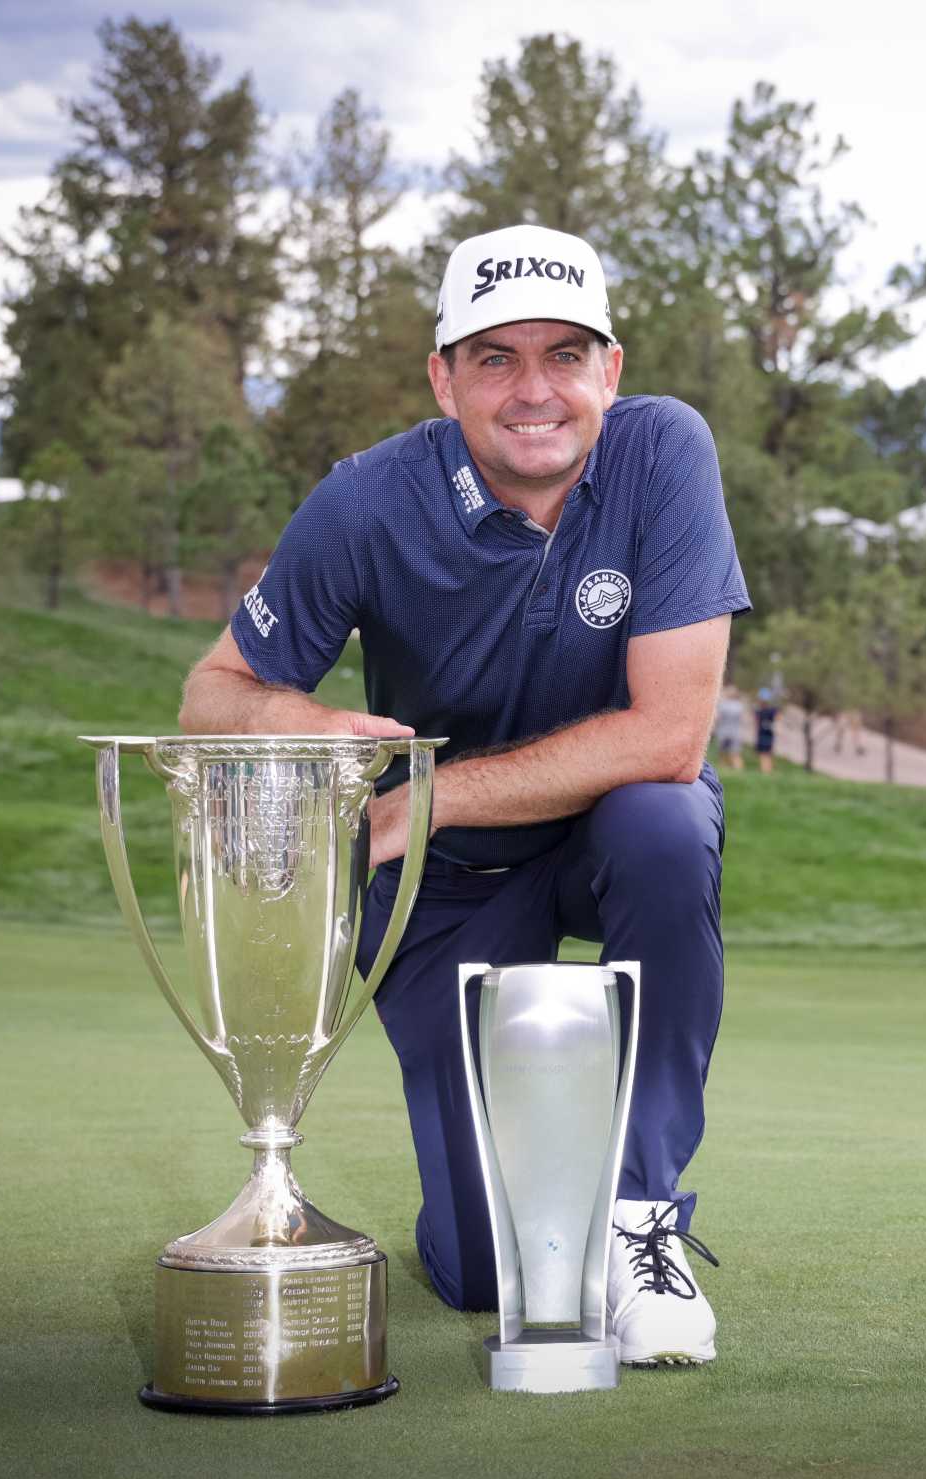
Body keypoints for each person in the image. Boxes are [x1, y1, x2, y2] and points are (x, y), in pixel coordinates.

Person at [179, 223, 748, 1367]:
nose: (534, 390)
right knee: (489, 1272)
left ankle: (641, 1219)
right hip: (442, 885)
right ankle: (538, 1215)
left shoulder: (663, 451)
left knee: (664, 820)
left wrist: (411, 804)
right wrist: (319, 726)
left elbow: (671, 734)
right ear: (444, 377)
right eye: (494, 358)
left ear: (611, 371)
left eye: (564, 355)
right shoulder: (366, 501)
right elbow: (214, 693)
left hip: (581, 832)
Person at [713, 682, 746, 771]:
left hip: (723, 731)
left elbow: (717, 718)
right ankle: (738, 770)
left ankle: (723, 768)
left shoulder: (723, 705)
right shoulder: (740, 706)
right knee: (735, 753)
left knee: (722, 753)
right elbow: (742, 719)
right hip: (736, 732)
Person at [753, 688, 779, 774]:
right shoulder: (772, 710)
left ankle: (765, 771)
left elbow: (756, 723)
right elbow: (777, 719)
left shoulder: (759, 711)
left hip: (763, 734)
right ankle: (768, 770)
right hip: (770, 734)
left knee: (763, 754)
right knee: (768, 754)